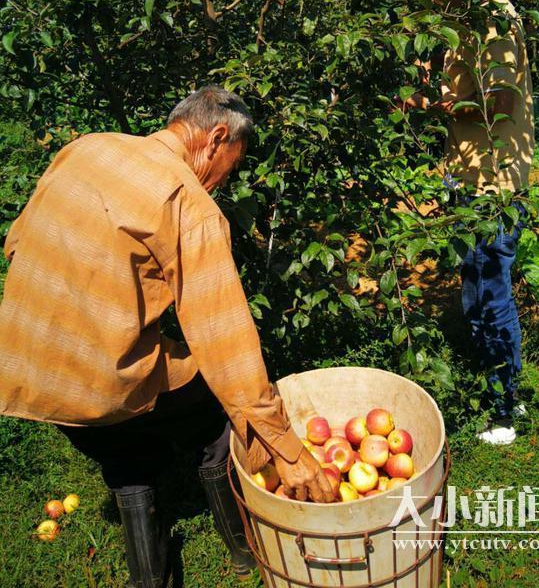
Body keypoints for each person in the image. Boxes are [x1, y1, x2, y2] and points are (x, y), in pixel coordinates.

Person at [0, 85, 335, 587]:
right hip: (105, 384)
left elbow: (17, 241)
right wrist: (284, 446)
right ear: (216, 138)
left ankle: (149, 578)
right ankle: (245, 550)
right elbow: (223, 338)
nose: (224, 179)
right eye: (232, 164)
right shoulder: (187, 202)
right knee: (217, 422)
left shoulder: (87, 147)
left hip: (24, 364)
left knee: (125, 453)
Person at [403, 0, 535, 445]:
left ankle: (505, 406)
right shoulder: (458, 24)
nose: (430, 1)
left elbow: (498, 103)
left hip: (495, 183)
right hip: (464, 176)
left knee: (492, 289)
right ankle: (496, 380)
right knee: (474, 287)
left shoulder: (494, 15)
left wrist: (426, 106)